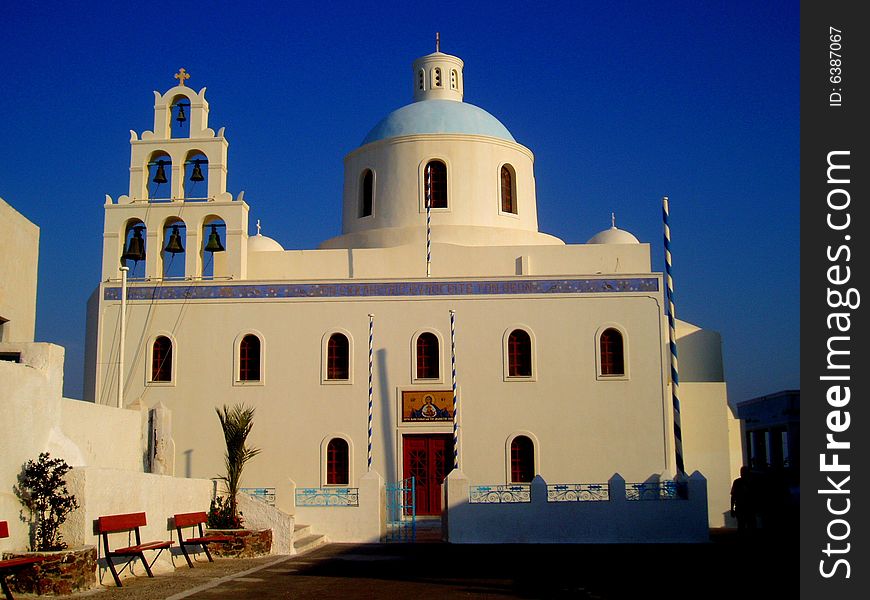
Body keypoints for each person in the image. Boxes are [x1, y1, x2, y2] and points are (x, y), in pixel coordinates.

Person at [730, 466, 756, 533]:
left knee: (746, 526)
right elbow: (733, 496)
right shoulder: (738, 482)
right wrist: (732, 508)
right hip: (742, 508)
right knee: (743, 526)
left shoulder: (751, 482)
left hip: (748, 508)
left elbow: (733, 496)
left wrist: (732, 509)